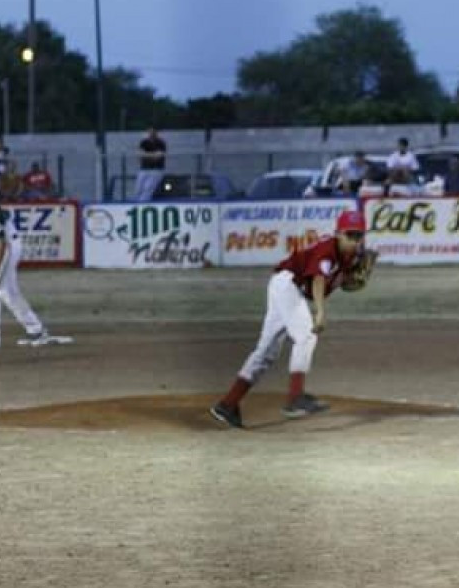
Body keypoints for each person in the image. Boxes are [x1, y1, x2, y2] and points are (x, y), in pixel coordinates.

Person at [209, 211, 378, 429]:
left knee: (266, 352)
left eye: (359, 236)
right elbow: (317, 279)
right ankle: (295, 398)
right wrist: (320, 312)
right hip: (287, 285)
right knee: (307, 335)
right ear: (338, 233)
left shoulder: (351, 258)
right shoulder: (327, 249)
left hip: (285, 288)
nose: (355, 241)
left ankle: (228, 404)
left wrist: (348, 278)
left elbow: (340, 282)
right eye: (350, 235)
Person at [0, 173, 64, 350]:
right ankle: (29, 330)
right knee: (2, 290)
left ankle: (0, 335)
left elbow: (2, 243)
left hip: (7, 246)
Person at [135, 128, 167, 201]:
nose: (151, 134)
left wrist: (146, 155)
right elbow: (140, 154)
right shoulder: (144, 142)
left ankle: (143, 203)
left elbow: (158, 156)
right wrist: (152, 155)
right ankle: (136, 202)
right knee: (138, 188)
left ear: (156, 133)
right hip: (144, 169)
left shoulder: (161, 143)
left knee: (148, 188)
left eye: (153, 132)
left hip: (156, 169)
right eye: (149, 132)